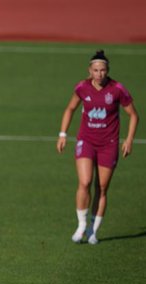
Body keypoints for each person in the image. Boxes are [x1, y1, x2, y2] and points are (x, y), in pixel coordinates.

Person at [57, 49, 139, 244]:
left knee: (101, 188)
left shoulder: (117, 89)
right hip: (86, 140)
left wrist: (128, 139)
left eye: (103, 70)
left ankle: (93, 230)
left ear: (107, 70)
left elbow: (133, 115)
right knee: (84, 182)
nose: (99, 74)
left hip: (108, 144)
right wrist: (62, 134)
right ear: (90, 71)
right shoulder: (82, 88)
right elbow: (70, 108)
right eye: (95, 70)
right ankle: (81, 225)